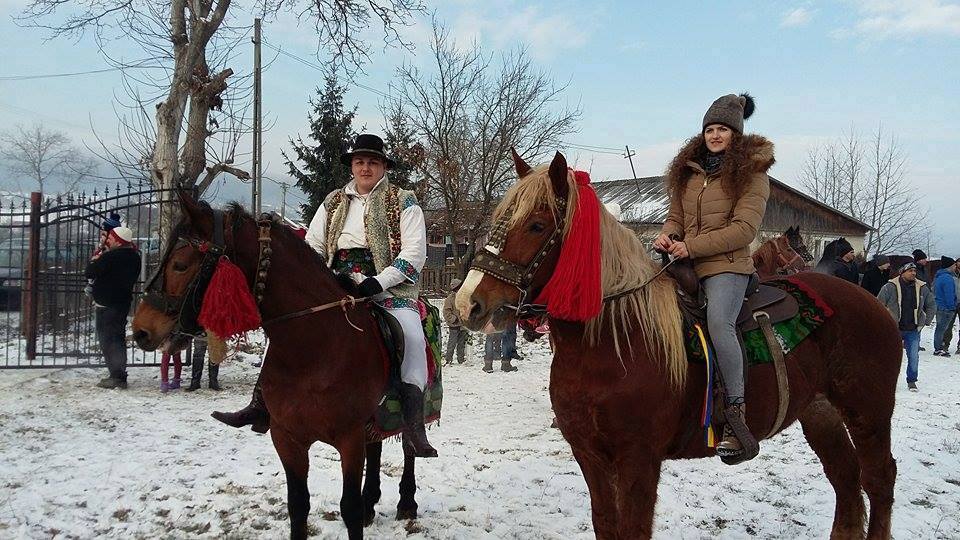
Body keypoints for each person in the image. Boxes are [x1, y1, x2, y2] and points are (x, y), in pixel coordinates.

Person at [212, 134, 437, 458]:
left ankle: (414, 425)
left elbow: (414, 252)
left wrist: (378, 281)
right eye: (360, 162)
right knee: (292, 332)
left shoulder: (404, 200)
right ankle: (261, 402)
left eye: (372, 162)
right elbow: (314, 246)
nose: (365, 168)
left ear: (384, 166)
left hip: (389, 286)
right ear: (352, 166)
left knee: (412, 338)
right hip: (336, 283)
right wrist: (318, 279)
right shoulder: (333, 201)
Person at [654, 92, 772, 461]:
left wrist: (692, 246)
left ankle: (736, 414)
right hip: (684, 262)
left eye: (723, 129)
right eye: (710, 129)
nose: (716, 135)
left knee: (720, 325)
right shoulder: (689, 172)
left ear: (736, 134)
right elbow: (676, 217)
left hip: (727, 266)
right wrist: (668, 235)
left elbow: (743, 230)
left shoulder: (752, 174)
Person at [85, 226, 141, 389]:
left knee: (108, 340)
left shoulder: (111, 257)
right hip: (122, 303)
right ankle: (119, 373)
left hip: (107, 305)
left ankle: (116, 375)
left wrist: (97, 259)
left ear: (118, 241)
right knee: (117, 338)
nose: (107, 241)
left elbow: (90, 272)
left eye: (110, 238)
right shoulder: (134, 257)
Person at [878, 262, 936, 391]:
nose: (913, 273)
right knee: (889, 356)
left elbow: (932, 304)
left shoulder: (922, 287)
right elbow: (879, 305)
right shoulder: (889, 287)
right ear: (902, 272)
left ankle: (911, 381)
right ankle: (886, 381)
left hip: (913, 329)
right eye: (910, 271)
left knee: (913, 356)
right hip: (894, 329)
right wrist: (884, 321)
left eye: (914, 271)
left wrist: (926, 320)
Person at [932, 256, 959, 357]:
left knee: (939, 328)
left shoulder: (938, 276)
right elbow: (949, 294)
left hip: (939, 306)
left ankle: (938, 347)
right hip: (946, 308)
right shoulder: (948, 278)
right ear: (950, 266)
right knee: (942, 329)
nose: (955, 267)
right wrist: (952, 306)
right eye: (954, 265)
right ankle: (938, 349)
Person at [442, 279, 468, 366]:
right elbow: (446, 312)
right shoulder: (450, 299)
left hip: (463, 324)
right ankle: (448, 359)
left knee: (461, 343)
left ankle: (461, 359)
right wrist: (454, 319)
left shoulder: (465, 297)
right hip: (454, 325)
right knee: (452, 343)